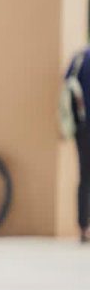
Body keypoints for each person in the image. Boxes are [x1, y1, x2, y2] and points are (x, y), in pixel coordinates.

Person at [63, 44, 90, 242]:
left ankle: (84, 227)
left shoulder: (80, 58)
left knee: (85, 177)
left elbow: (67, 87)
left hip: (82, 126)